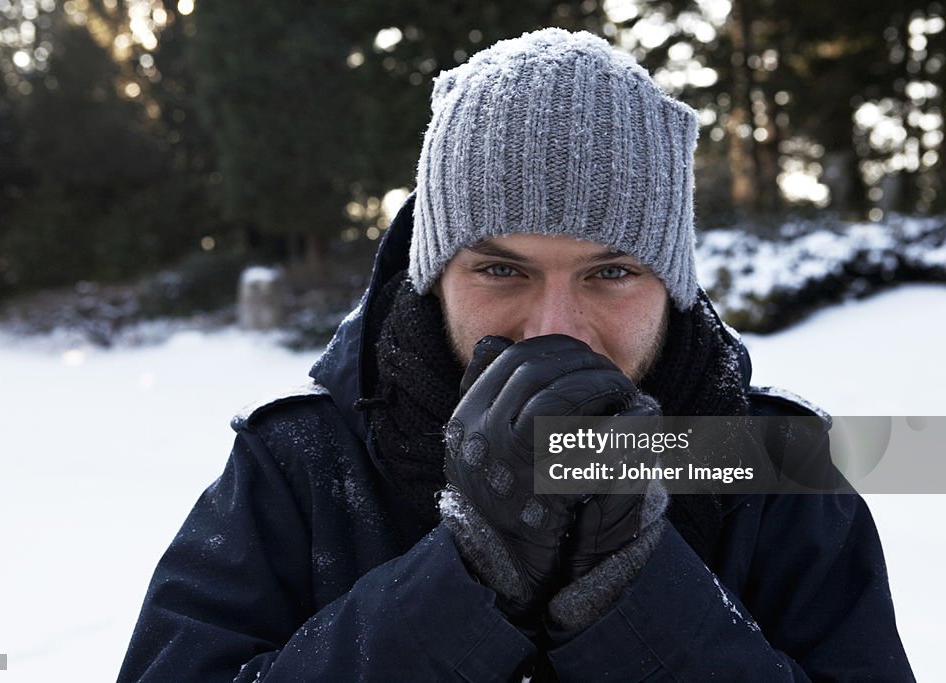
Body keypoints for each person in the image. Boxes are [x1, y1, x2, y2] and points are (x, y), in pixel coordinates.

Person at [117, 29, 913, 681]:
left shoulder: (775, 472)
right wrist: (458, 581)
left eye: (611, 272)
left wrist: (640, 596)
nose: (556, 329)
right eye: (503, 269)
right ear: (435, 278)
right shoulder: (302, 465)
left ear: (670, 284)